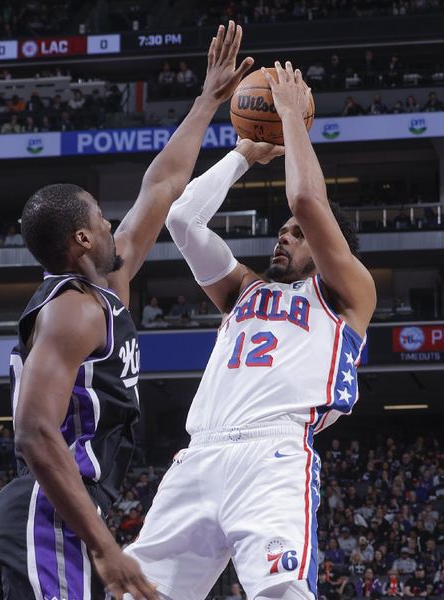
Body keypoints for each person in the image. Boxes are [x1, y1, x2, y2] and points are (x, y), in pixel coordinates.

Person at [0, 20, 255, 600]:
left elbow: (163, 184)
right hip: (48, 514)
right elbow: (32, 431)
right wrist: (108, 549)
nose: (111, 221)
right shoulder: (73, 312)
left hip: (63, 514)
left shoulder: (109, 282)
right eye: (100, 216)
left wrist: (209, 100)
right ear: (82, 239)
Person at [125, 60, 376, 600]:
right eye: (282, 234)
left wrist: (289, 115)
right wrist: (243, 153)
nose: (283, 239)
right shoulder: (244, 289)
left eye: (297, 236)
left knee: (280, 593)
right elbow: (182, 220)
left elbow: (307, 202)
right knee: (135, 593)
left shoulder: (348, 292)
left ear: (328, 245)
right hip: (199, 456)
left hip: (274, 453)